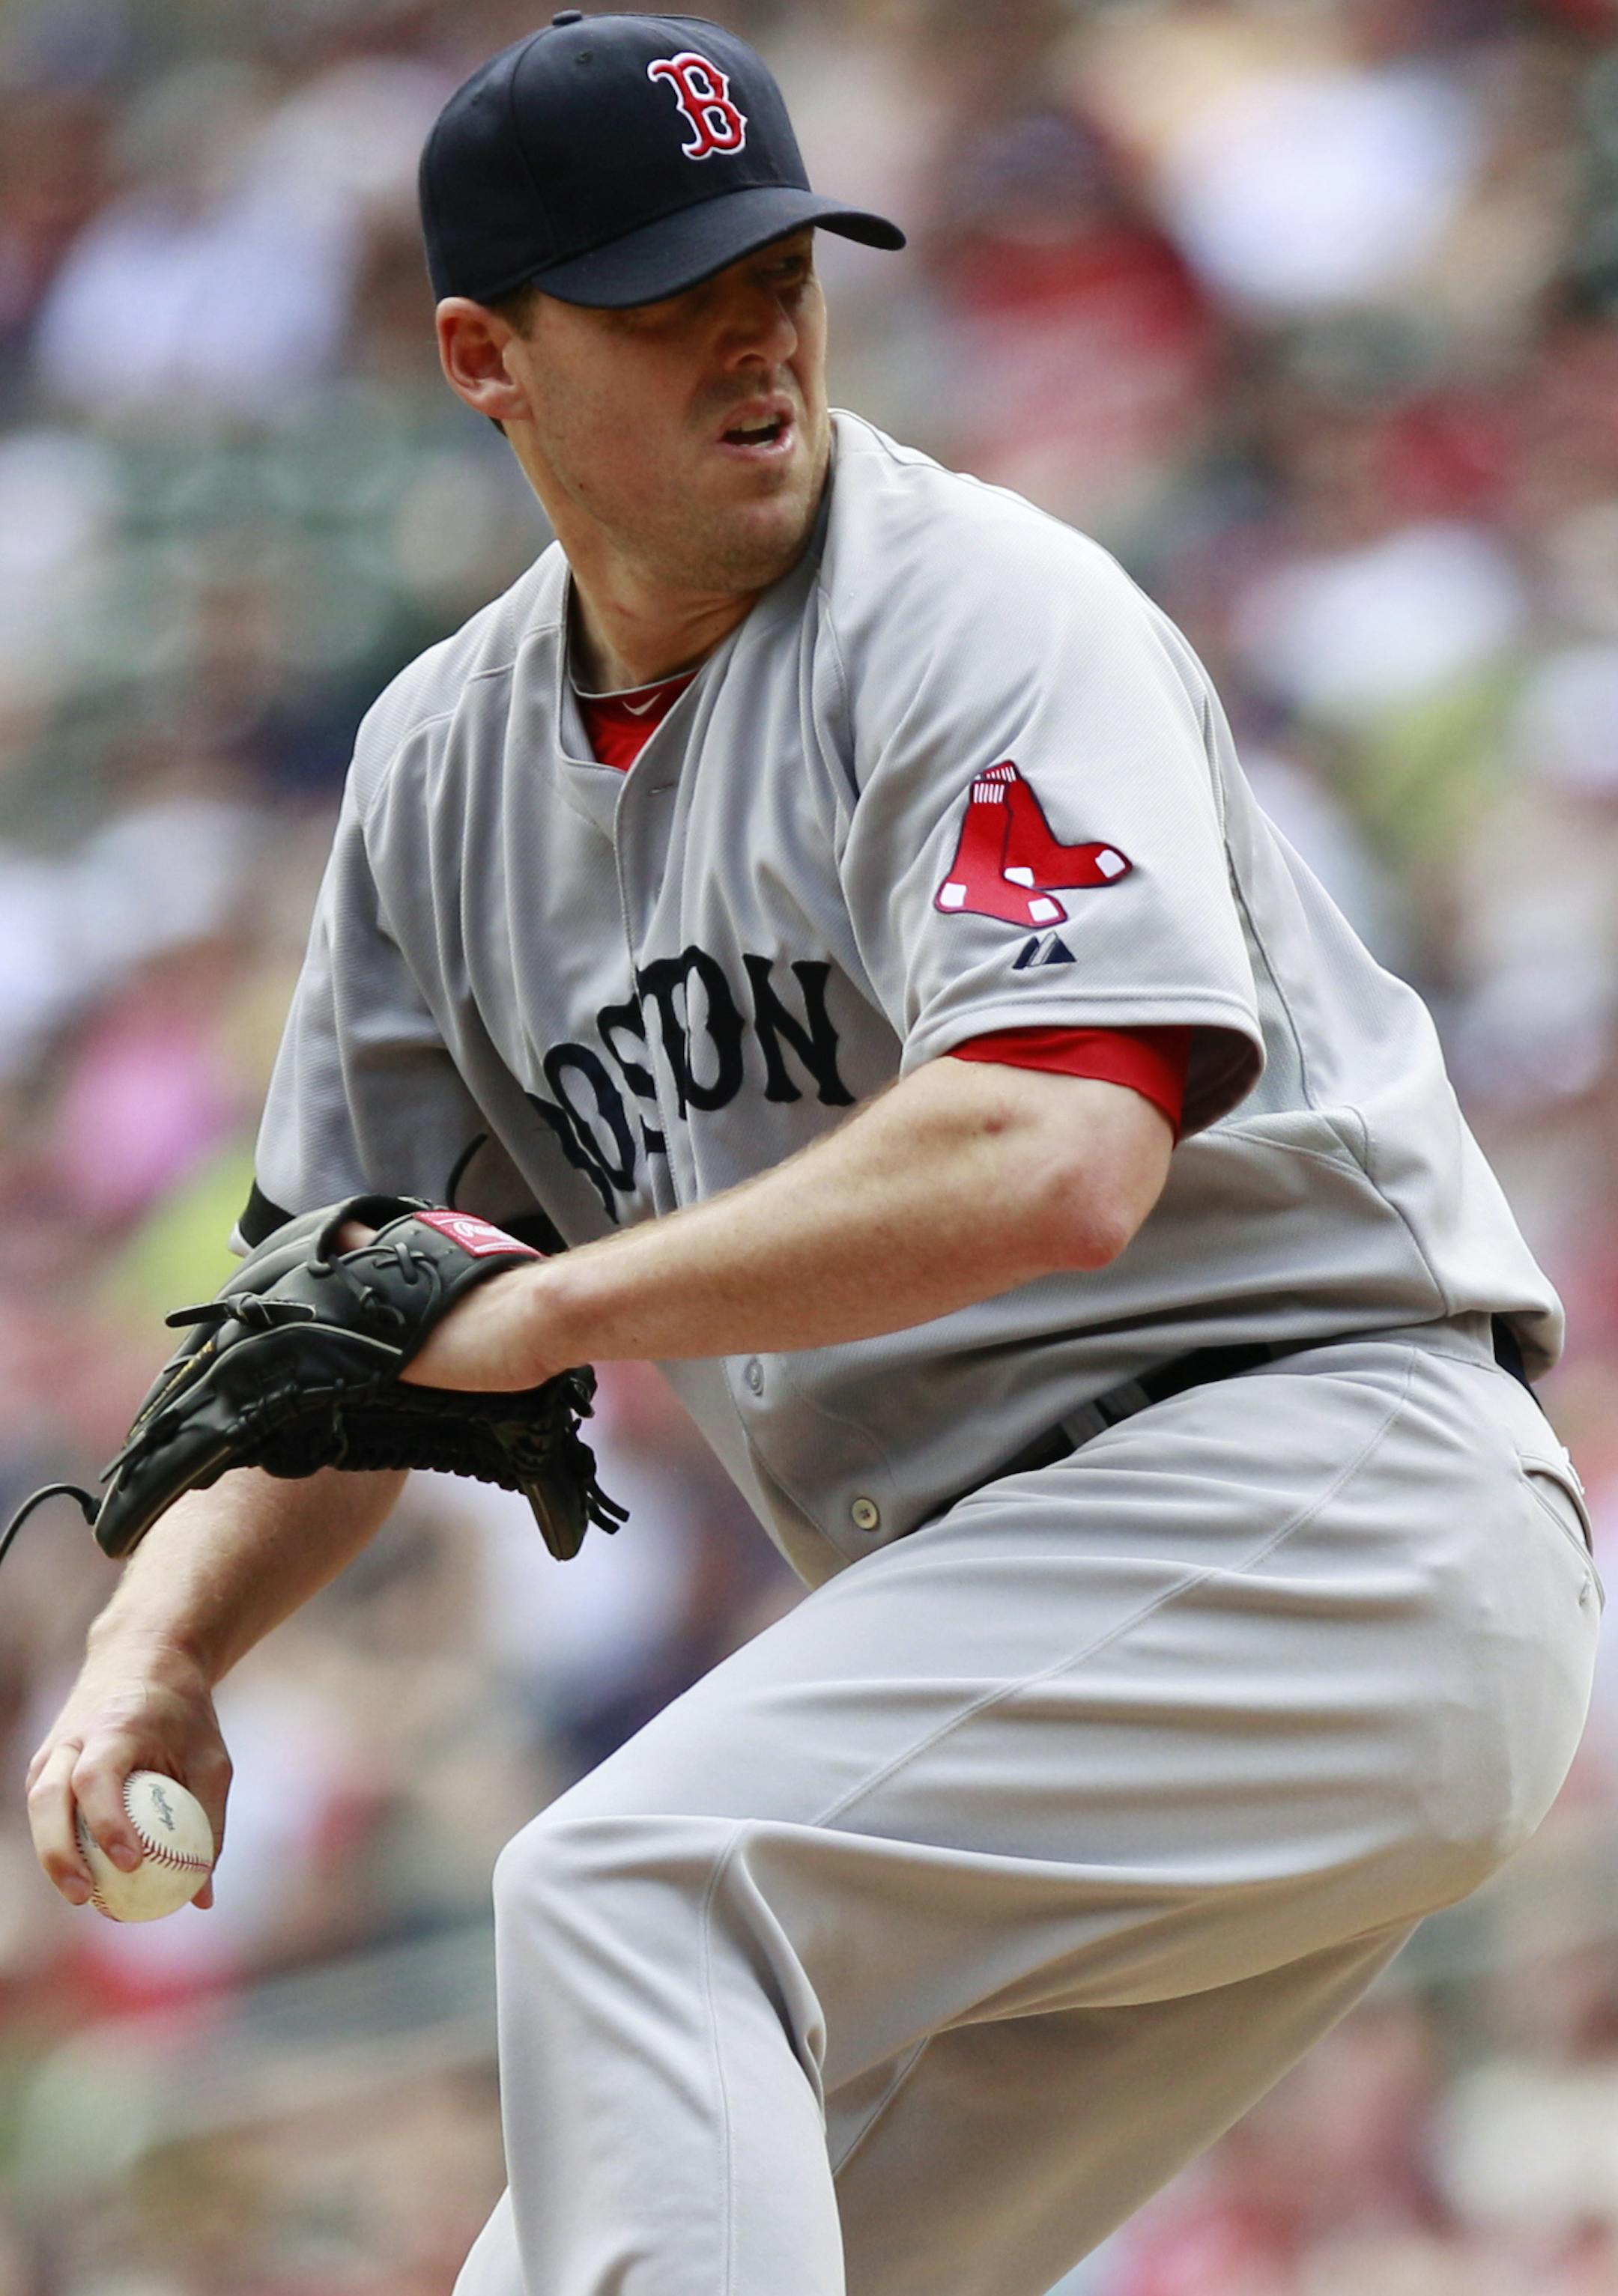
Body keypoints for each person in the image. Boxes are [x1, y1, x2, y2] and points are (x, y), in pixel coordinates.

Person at [26, 14, 1601, 2295]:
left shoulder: (978, 609)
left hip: (1323, 1511)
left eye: (782, 274)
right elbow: (336, 1330)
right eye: (672, 302)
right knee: (593, 2244)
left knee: (630, 1884)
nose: (755, 342)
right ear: (489, 354)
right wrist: (155, 1642)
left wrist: (544, 1305)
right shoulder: (441, 771)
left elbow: (1057, 1153)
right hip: (1039, 1625)